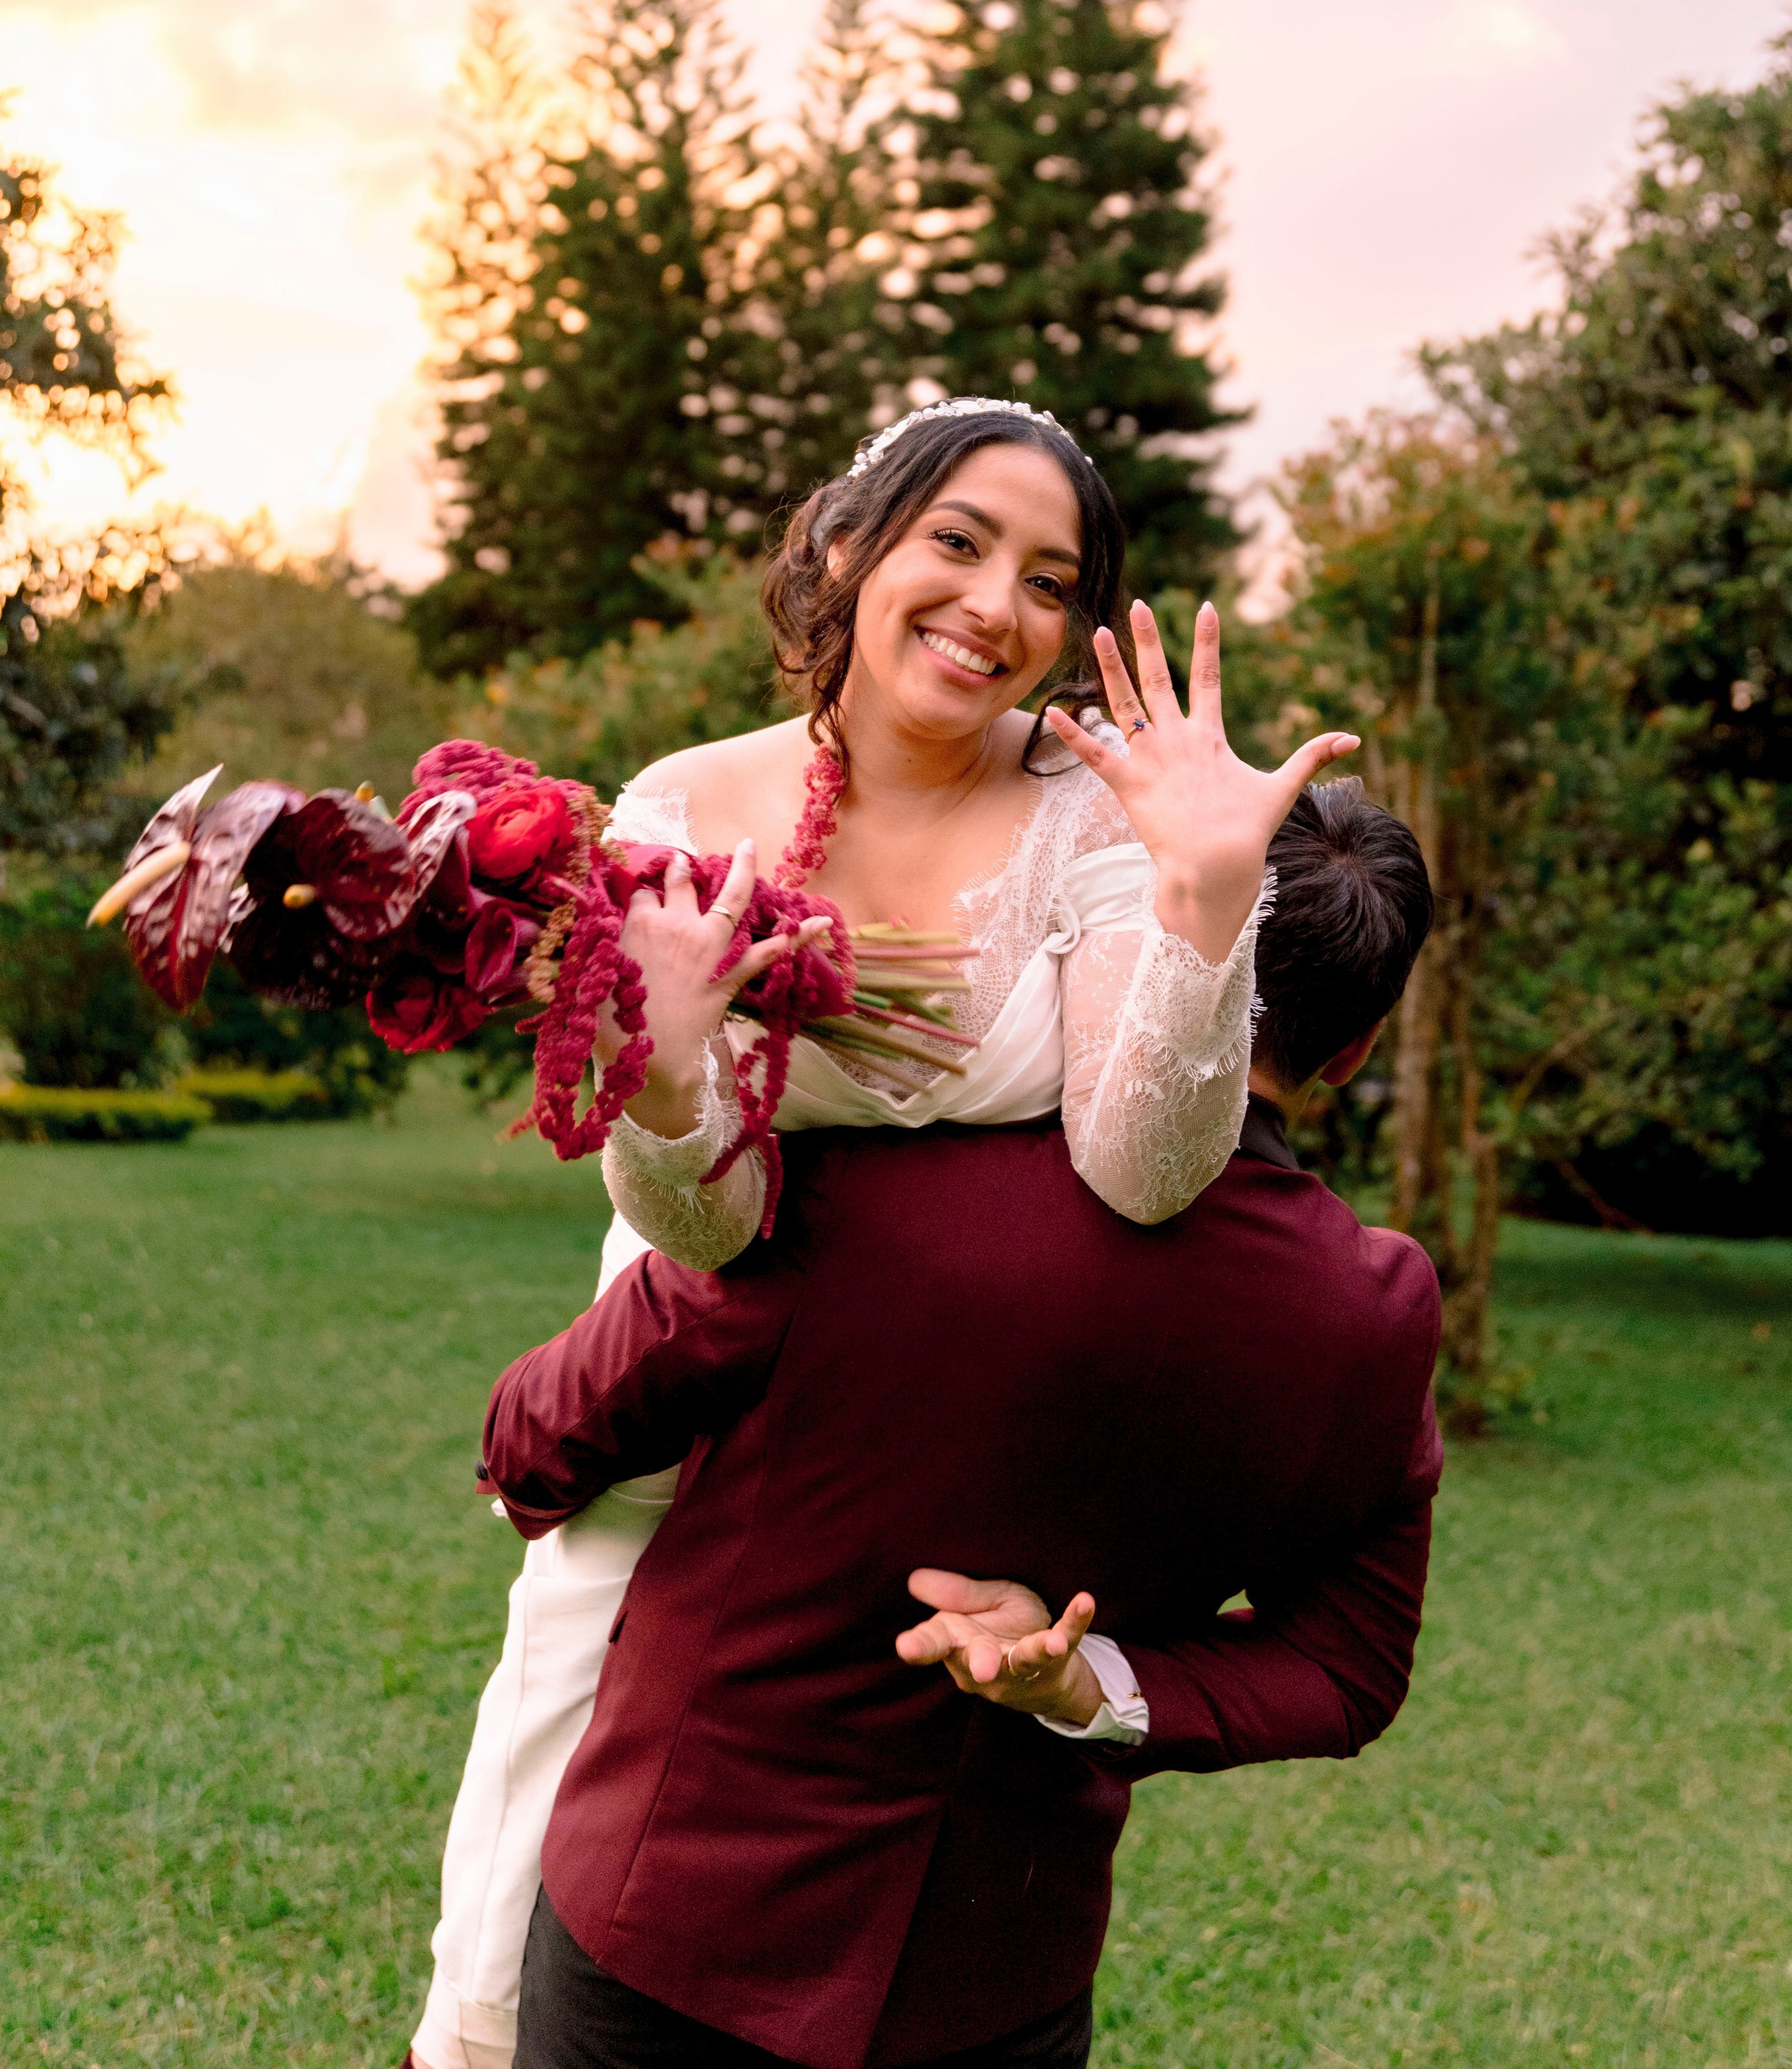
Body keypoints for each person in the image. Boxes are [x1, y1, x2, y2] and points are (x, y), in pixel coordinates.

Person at [406, 395, 1359, 2069]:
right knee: (565, 1748)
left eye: (1049, 581)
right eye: (958, 542)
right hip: (682, 1379)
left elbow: (1141, 1169)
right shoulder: (678, 805)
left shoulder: (1090, 810)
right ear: (848, 545)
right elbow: (695, 1214)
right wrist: (676, 1063)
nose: (998, 605)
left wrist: (1203, 909)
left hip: (927, 1429)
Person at [478, 775, 1439, 2069]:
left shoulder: (871, 1183)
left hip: (673, 1941)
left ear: (1140, 939)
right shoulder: (1368, 1311)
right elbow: (1349, 1667)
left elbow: (534, 1440)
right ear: (1354, 1049)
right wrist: (1089, 1681)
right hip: (995, 1991)